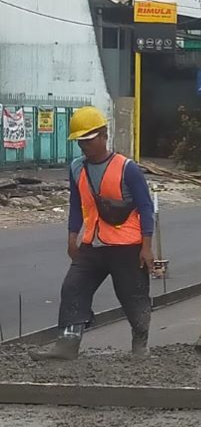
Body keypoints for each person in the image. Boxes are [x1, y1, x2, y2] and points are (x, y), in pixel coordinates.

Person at [31, 107, 155, 361]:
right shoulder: (77, 168)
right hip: (93, 243)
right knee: (73, 287)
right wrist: (71, 237)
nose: (82, 146)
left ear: (103, 136)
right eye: (79, 140)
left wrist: (147, 246)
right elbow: (77, 205)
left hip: (127, 245)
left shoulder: (127, 168)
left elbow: (145, 207)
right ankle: (67, 343)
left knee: (133, 295)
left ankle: (140, 345)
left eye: (87, 140)